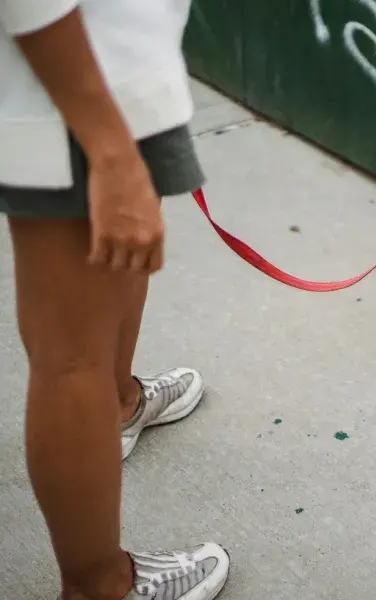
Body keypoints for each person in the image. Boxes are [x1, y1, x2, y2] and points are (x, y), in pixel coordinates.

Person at [0, 1, 230, 599]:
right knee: (69, 356)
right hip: (66, 85)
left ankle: (120, 402)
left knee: (121, 260)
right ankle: (101, 585)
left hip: (112, 69)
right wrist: (107, 147)